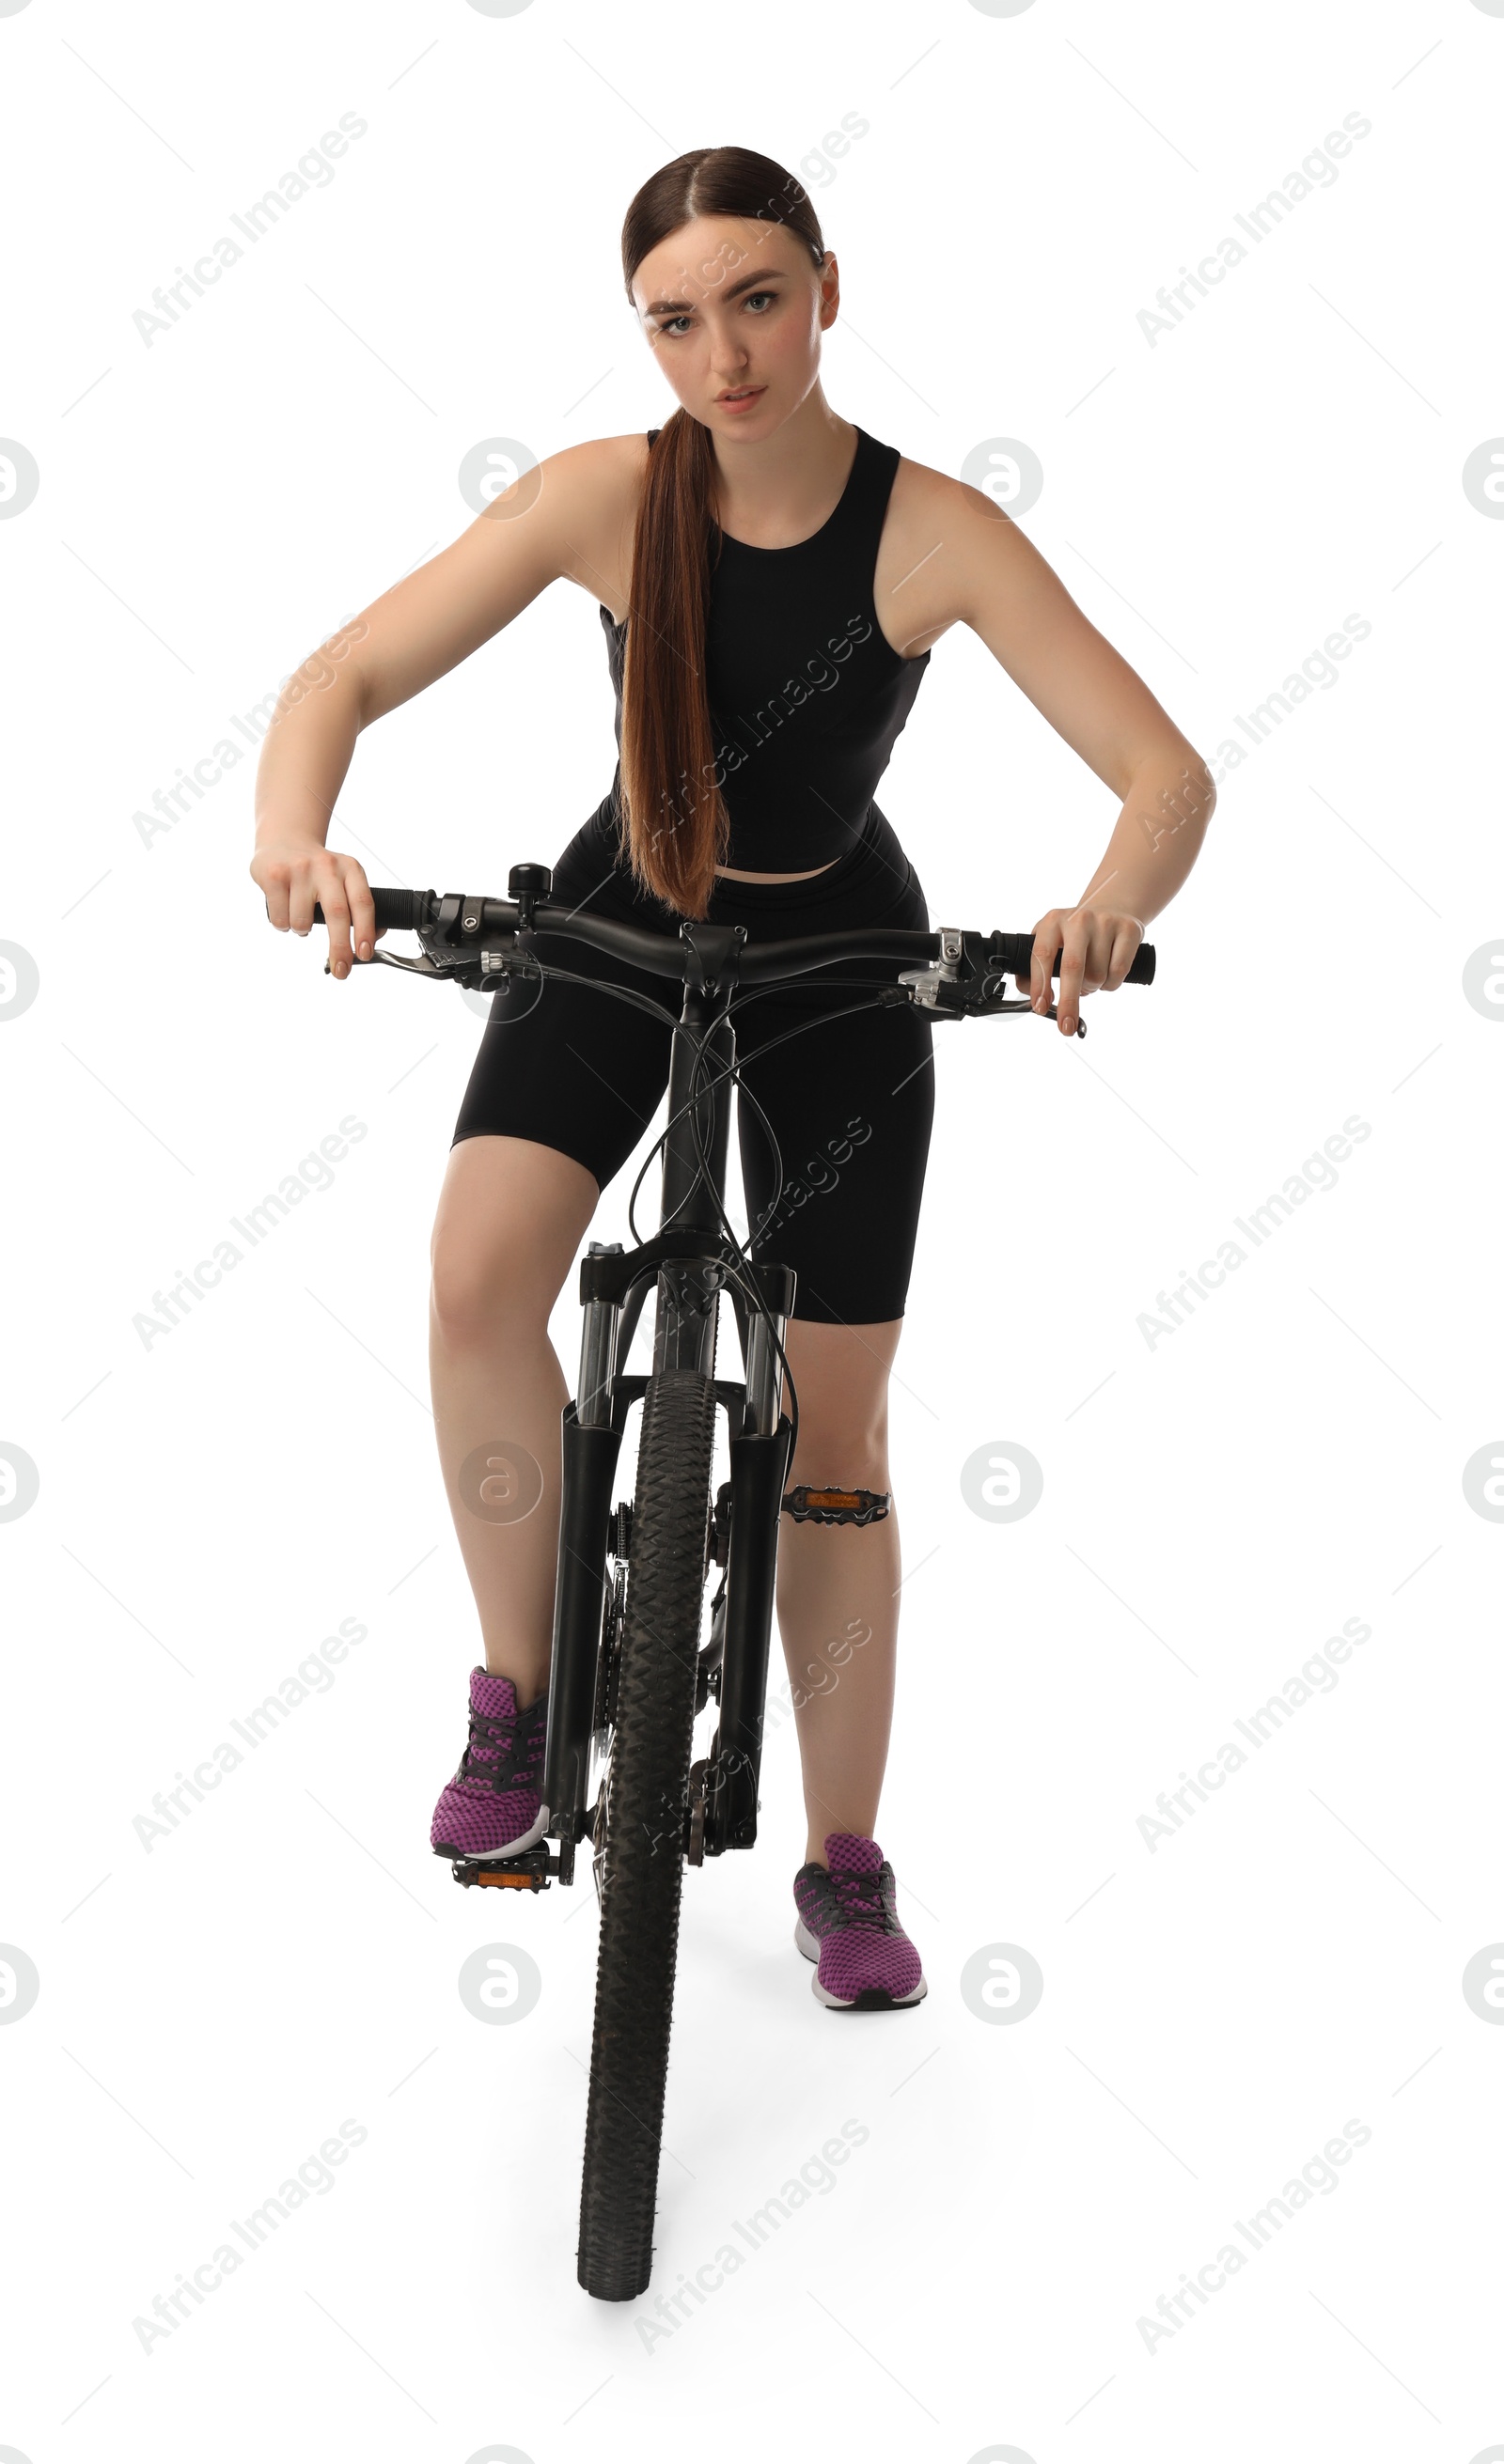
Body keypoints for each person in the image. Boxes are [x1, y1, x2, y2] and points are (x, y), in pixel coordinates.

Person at [250, 146, 1214, 2013]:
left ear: (826, 290)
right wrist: (302, 840)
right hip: (620, 919)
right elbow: (340, 674)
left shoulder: (933, 529)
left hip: (839, 963)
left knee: (833, 1451)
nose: (724, 354)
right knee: (469, 1280)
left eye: (756, 301)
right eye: (676, 320)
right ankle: (516, 1703)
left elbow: (1161, 778)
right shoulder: (602, 497)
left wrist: (1102, 910)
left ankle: (843, 1867)